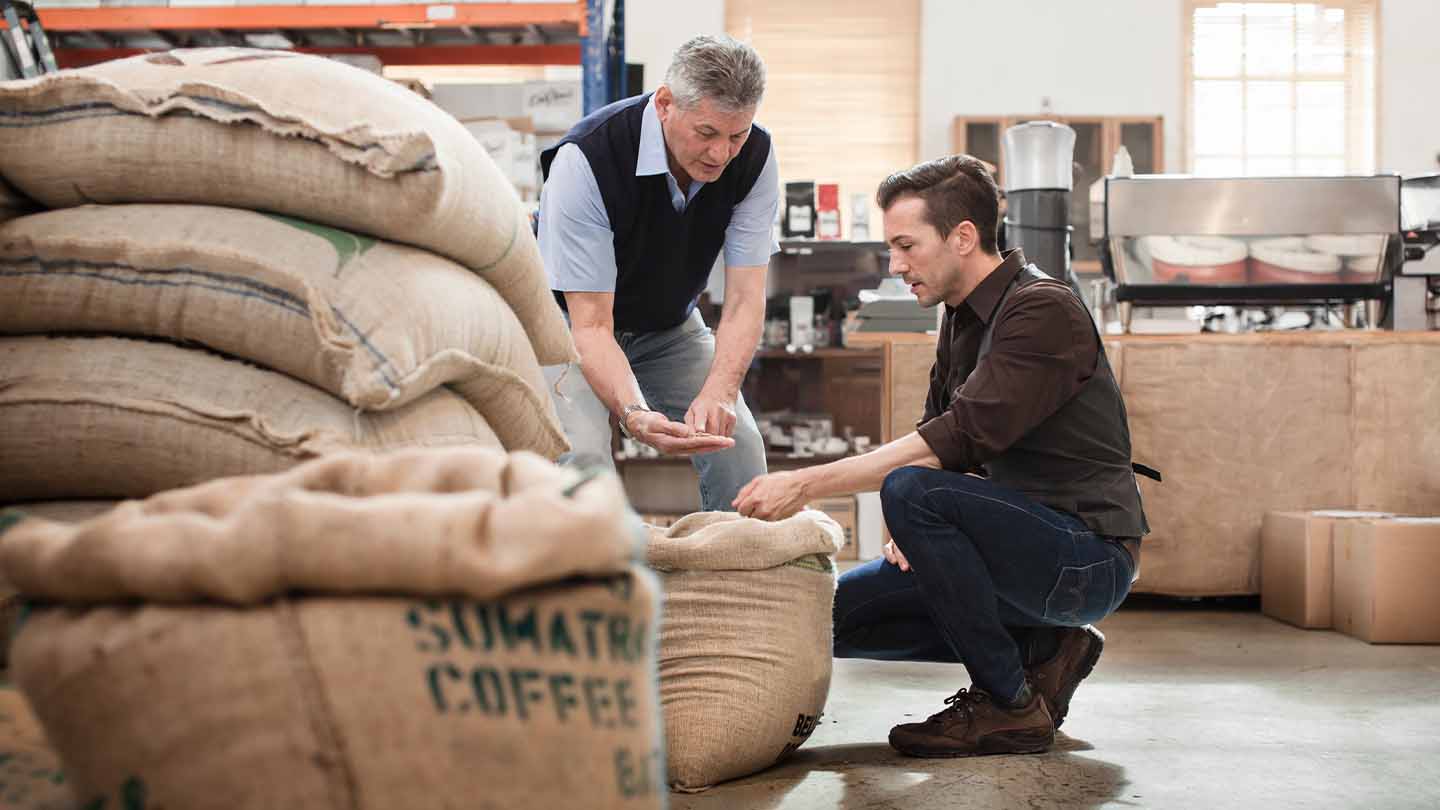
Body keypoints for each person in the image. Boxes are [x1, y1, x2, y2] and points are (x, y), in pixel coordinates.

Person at [733, 155, 1154, 757]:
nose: (895, 264)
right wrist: (921, 534)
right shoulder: (960, 317)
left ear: (962, 237)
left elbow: (955, 438)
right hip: (1015, 548)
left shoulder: (1042, 310)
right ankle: (1043, 649)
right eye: (891, 248)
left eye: (906, 246)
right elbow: (940, 443)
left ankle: (1008, 703)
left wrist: (804, 484)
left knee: (908, 490)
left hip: (1085, 560)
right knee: (830, 617)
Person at [537, 34, 778, 511]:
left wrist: (720, 393)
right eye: (706, 133)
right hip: (571, 325)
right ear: (665, 104)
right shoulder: (587, 159)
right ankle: (595, 559)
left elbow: (745, 299)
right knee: (583, 459)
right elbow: (592, 325)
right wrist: (634, 413)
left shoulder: (755, 156)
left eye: (736, 135)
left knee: (740, 448)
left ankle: (737, 557)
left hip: (669, 327)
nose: (721, 154)